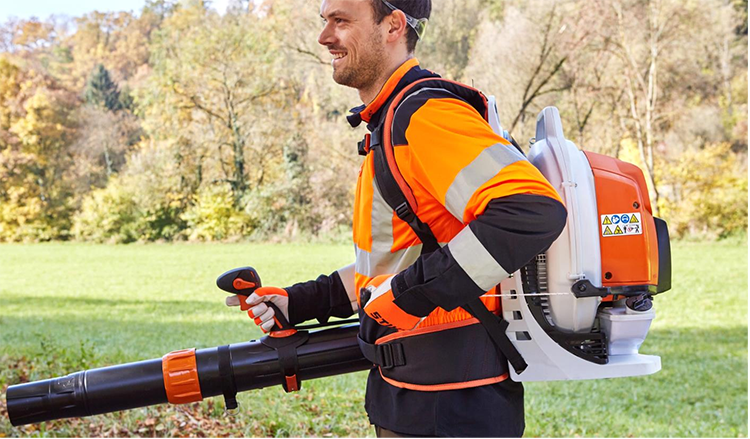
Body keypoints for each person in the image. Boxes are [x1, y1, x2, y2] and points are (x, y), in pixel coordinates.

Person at [226, 0, 567, 436]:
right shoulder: (389, 125)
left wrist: (407, 297)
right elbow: (399, 261)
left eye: (341, 21)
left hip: (452, 409)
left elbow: (531, 210)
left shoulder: (424, 116)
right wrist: (300, 302)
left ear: (392, 25)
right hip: (414, 399)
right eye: (325, 21)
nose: (324, 37)